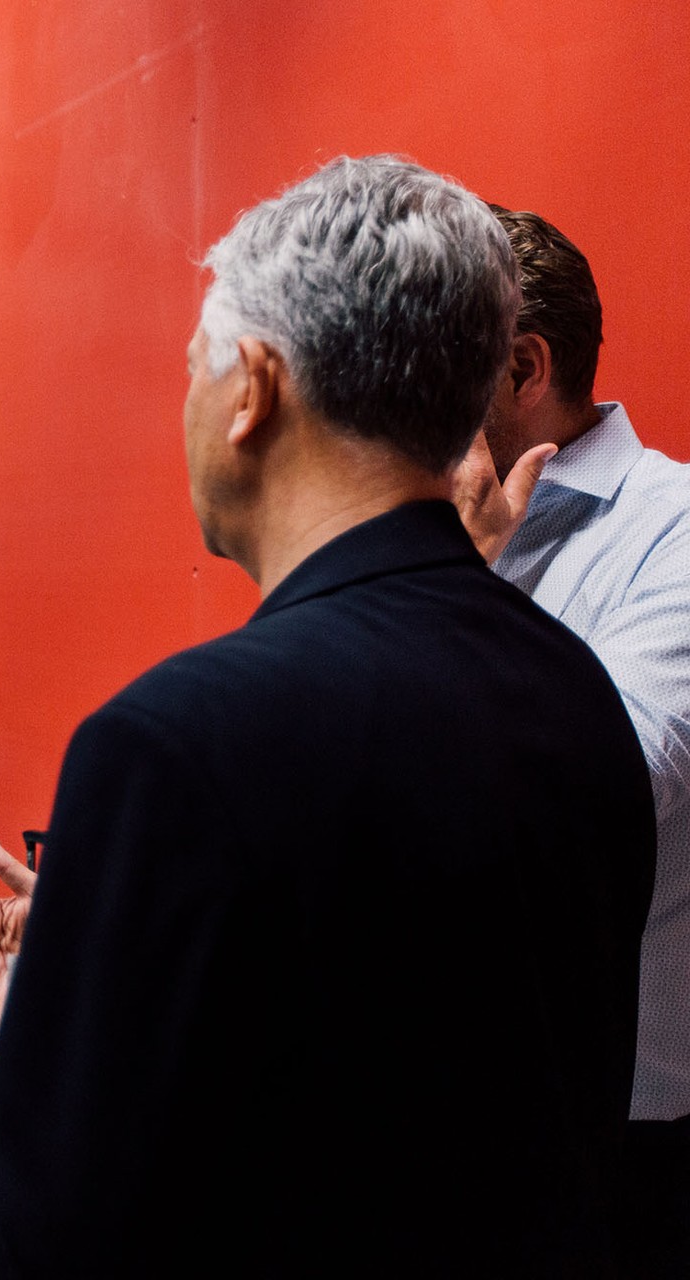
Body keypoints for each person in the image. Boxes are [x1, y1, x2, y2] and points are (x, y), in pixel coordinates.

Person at [0, 156, 656, 1277]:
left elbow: (24, 1235)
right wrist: (95, 962)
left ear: (251, 384)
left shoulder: (171, 742)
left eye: (193, 367)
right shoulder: (574, 691)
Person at [455, 207, 690, 1276]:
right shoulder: (428, 533)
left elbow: (611, 783)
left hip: (633, 1138)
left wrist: (458, 590)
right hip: (457, 1113)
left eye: (432, 360)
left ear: (523, 365)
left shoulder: (675, 528)